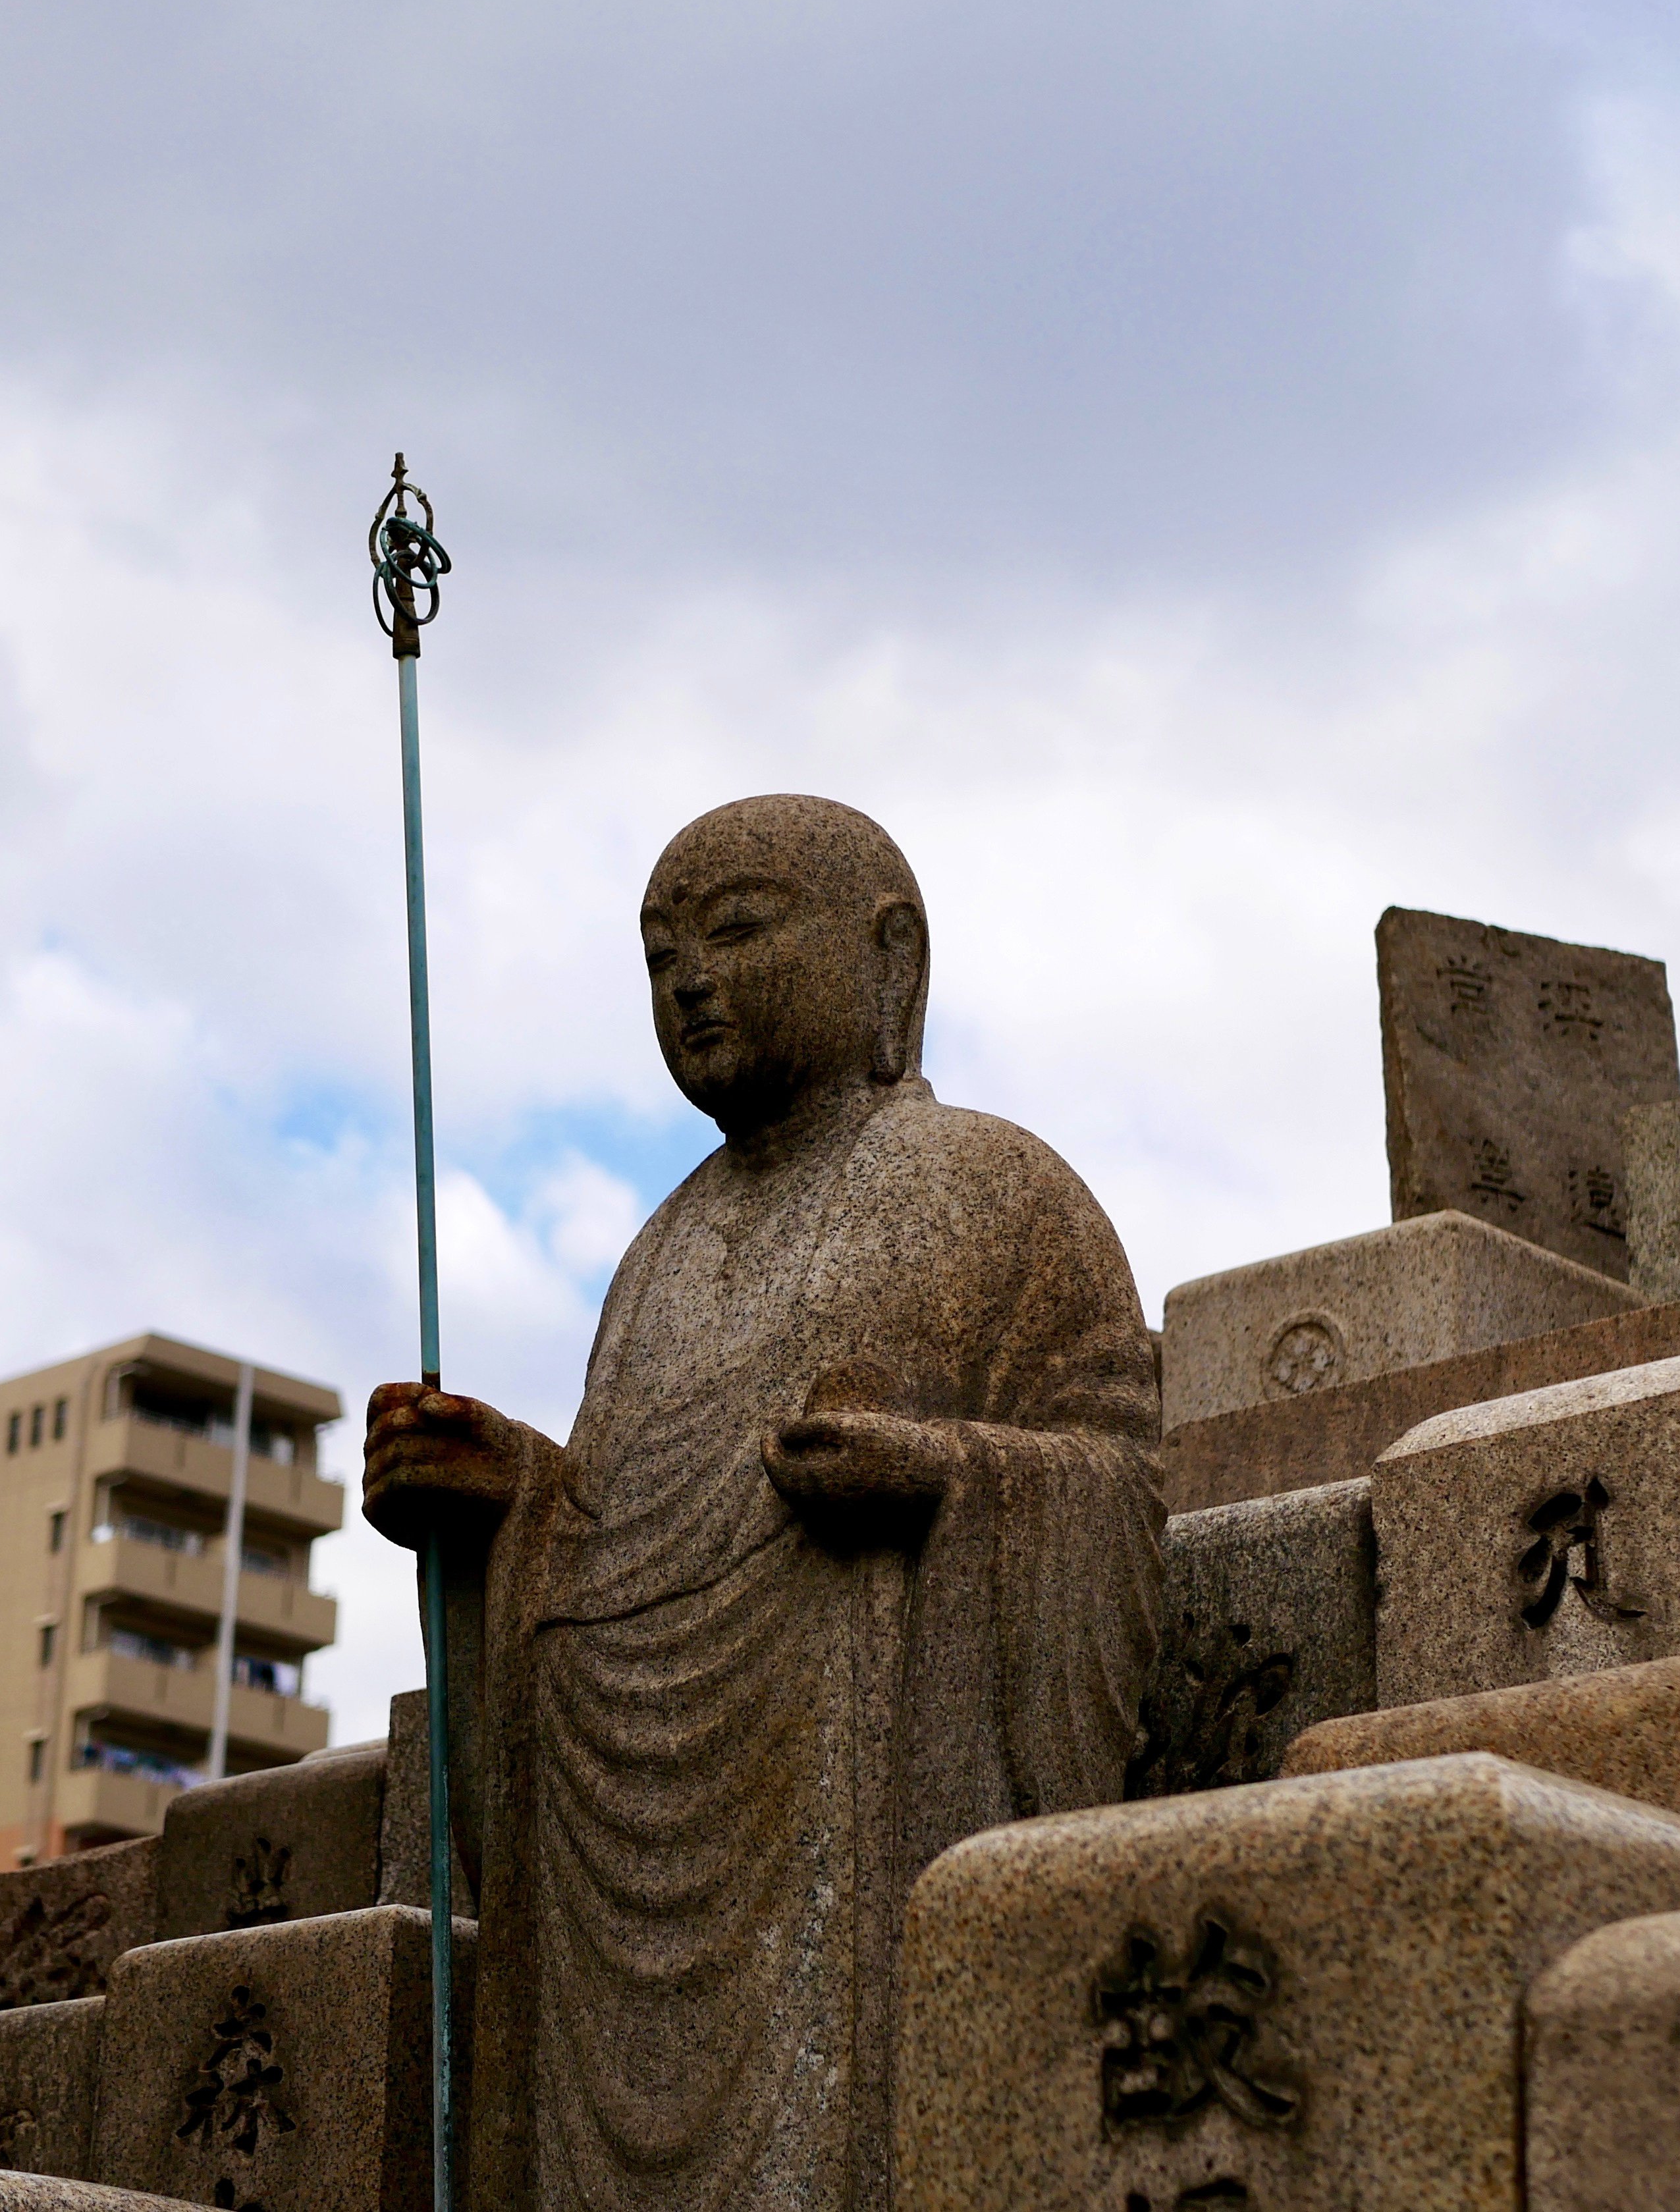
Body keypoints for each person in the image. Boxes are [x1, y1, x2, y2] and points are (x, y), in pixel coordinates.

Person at [362, 794, 1163, 2212]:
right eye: (659, 951)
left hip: (863, 1820)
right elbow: (611, 1536)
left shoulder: (999, 1186)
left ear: (891, 958)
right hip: (634, 1847)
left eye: (734, 930)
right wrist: (507, 1501)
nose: (687, 979)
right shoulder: (653, 1253)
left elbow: (1120, 1479)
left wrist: (944, 1480)